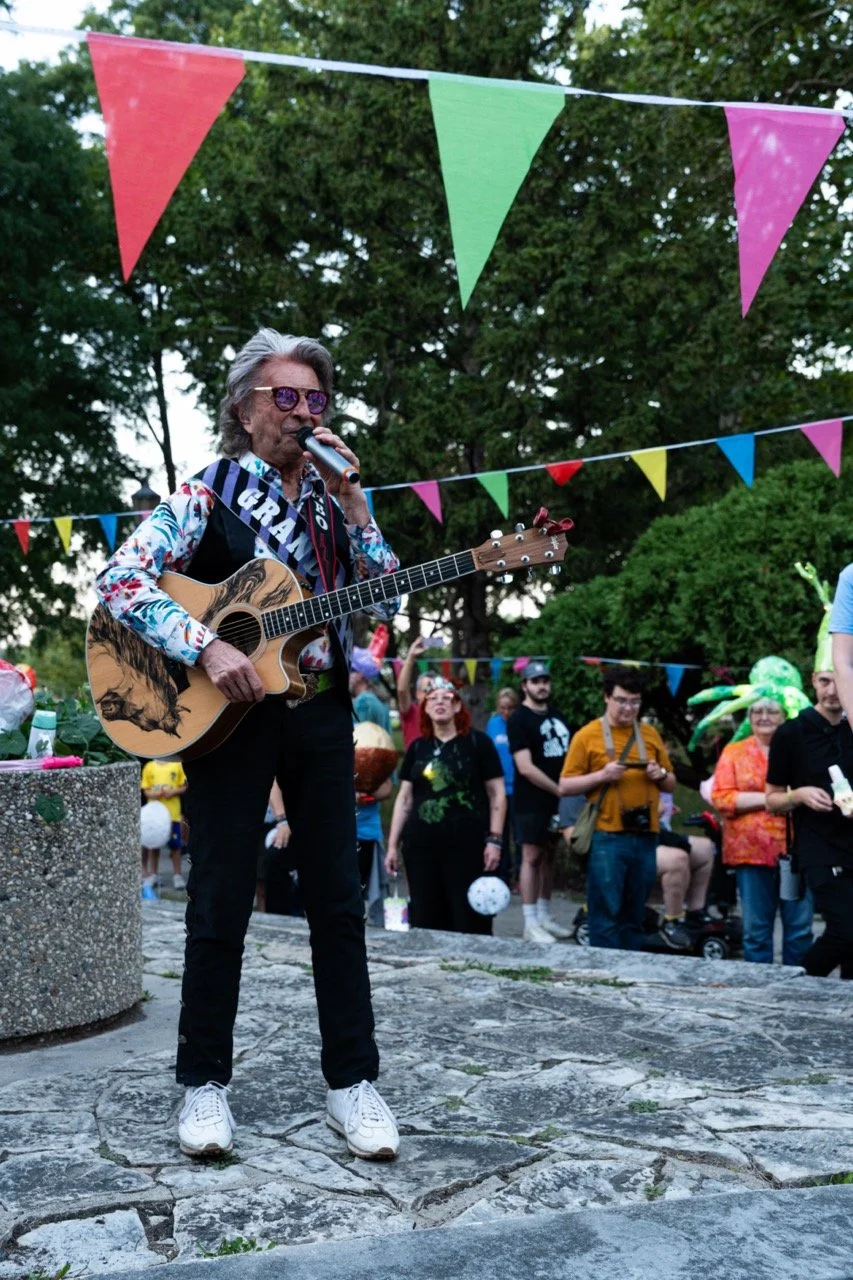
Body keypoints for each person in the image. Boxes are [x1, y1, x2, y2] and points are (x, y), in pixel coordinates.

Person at [95, 329, 400, 1161]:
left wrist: (357, 510)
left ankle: (352, 1085)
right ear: (244, 407)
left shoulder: (331, 501)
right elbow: (119, 579)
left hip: (323, 709)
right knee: (221, 897)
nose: (304, 412)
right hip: (226, 715)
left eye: (316, 399)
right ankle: (203, 1086)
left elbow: (386, 598)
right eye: (286, 397)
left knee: (339, 899)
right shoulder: (208, 491)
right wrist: (204, 643)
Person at [767, 578, 853, 976]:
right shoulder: (792, 732)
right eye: (823, 680)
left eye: (837, 679)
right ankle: (800, 983)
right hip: (818, 847)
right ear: (812, 681)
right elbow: (771, 799)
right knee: (845, 932)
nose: (832, 690)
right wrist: (799, 795)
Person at [560, 666, 675, 951]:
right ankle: (603, 977)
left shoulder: (649, 734)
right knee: (605, 915)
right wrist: (602, 775)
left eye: (635, 702)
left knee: (635, 915)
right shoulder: (587, 736)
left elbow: (671, 784)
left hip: (646, 834)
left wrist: (659, 774)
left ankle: (632, 973)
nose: (628, 708)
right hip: (607, 837)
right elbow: (565, 785)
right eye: (622, 700)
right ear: (607, 698)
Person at [385, 679, 506, 934]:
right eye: (433, 698)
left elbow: (497, 793)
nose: (439, 702)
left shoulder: (478, 743)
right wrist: (393, 845)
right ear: (425, 708)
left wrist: (494, 840)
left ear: (457, 705)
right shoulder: (417, 747)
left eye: (446, 697)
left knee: (468, 916)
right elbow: (405, 798)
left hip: (467, 846)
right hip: (421, 848)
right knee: (426, 915)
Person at [712, 697, 813, 966]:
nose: (763, 716)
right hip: (751, 854)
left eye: (771, 711)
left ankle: (798, 988)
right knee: (756, 931)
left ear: (784, 717)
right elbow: (722, 799)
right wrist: (774, 799)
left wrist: (760, 799)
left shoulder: (798, 749)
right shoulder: (734, 752)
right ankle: (760, 992)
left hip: (794, 853)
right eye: (756, 711)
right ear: (749, 718)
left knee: (799, 929)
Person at [507, 661, 572, 944]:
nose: (541, 685)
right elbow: (525, 767)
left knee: (549, 857)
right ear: (525, 686)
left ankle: (545, 915)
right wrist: (559, 789)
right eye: (535, 681)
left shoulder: (557, 715)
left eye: (545, 680)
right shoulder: (519, 719)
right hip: (531, 801)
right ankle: (530, 921)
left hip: (558, 800)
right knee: (531, 857)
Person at [486, 687, 519, 885]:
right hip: (499, 790)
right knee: (500, 835)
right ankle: (503, 876)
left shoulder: (519, 724)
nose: (506, 712)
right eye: (502, 708)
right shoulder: (493, 724)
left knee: (519, 838)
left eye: (510, 708)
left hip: (518, 789)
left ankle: (520, 877)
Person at [140, 756, 187, 890]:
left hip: (173, 815)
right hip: (155, 816)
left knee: (175, 845)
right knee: (155, 845)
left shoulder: (177, 764)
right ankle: (154, 874)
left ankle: (177, 875)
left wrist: (173, 792)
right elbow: (146, 789)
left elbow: (184, 786)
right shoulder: (150, 766)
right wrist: (152, 794)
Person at [395, 636, 433, 748]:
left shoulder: (442, 715)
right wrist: (411, 657)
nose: (431, 694)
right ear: (418, 693)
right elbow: (402, 690)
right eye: (427, 689)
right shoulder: (411, 712)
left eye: (434, 689)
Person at [350, 668, 391, 733]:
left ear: (359, 675)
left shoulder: (363, 701)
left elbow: (362, 736)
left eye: (350, 672)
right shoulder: (379, 697)